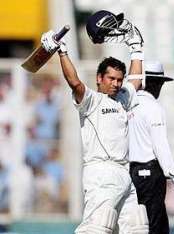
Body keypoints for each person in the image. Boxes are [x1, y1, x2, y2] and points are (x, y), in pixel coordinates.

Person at [40, 10, 148, 234]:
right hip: (101, 173)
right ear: (99, 78)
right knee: (96, 229)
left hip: (124, 174)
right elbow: (74, 83)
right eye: (111, 79)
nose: (117, 84)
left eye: (119, 80)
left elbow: (136, 82)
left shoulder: (123, 99)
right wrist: (62, 51)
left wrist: (136, 47)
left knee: (138, 228)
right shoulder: (91, 101)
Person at [128, 61, 174, 234]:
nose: (159, 87)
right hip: (150, 174)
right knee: (156, 227)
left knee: (134, 226)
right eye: (158, 83)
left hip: (130, 174)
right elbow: (161, 146)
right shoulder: (154, 108)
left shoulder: (127, 104)